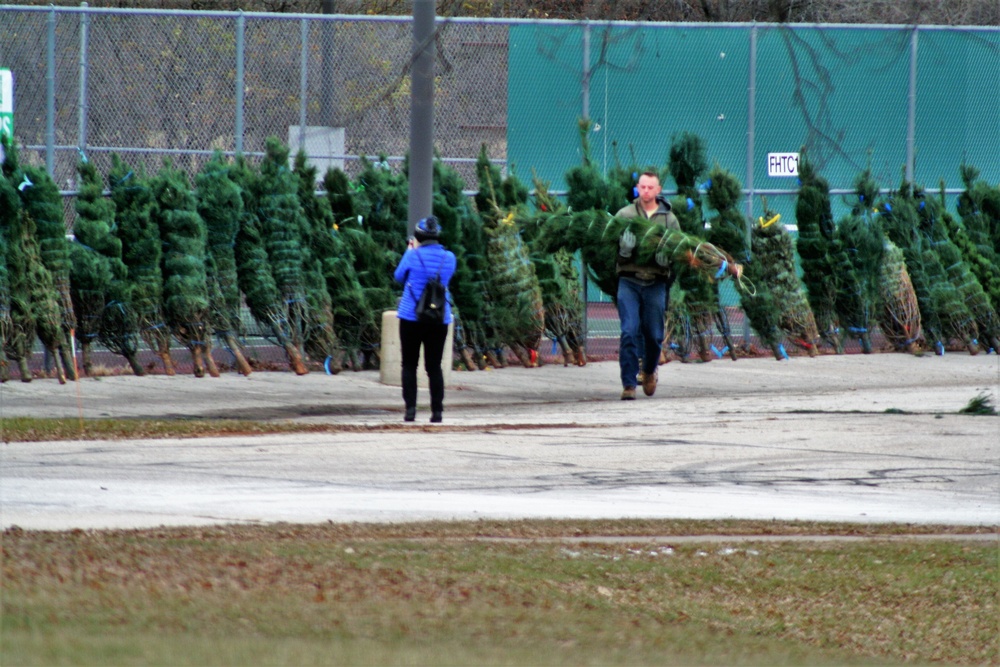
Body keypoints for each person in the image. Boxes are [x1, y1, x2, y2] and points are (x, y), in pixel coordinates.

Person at [614, 170, 680, 401]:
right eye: (642, 187)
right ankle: (629, 384)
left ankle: (649, 371)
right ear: (637, 188)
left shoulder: (669, 219)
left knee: (653, 335)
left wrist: (667, 260)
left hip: (655, 283)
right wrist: (622, 252)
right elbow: (609, 253)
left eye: (650, 187)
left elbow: (679, 250)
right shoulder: (625, 215)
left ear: (658, 190)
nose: (646, 191)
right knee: (628, 331)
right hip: (629, 281)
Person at [393, 216, 457, 422]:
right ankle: (437, 412)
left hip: (411, 317)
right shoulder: (450, 257)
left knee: (409, 365)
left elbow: (399, 276)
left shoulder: (412, 255)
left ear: (418, 236)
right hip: (439, 319)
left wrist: (410, 250)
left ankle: (410, 410)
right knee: (434, 367)